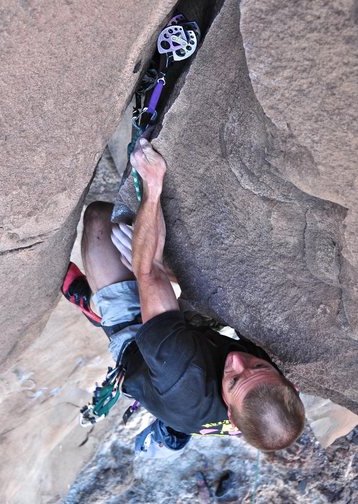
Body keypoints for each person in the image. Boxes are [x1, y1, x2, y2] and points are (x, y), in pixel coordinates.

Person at [79, 138, 305, 454]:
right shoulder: (261, 400)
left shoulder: (180, 373)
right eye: (257, 368)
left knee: (99, 220)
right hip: (190, 365)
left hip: (138, 347)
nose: (237, 359)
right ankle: (176, 422)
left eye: (234, 379)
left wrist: (152, 185)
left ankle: (94, 307)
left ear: (231, 416)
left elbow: (149, 270)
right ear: (290, 385)